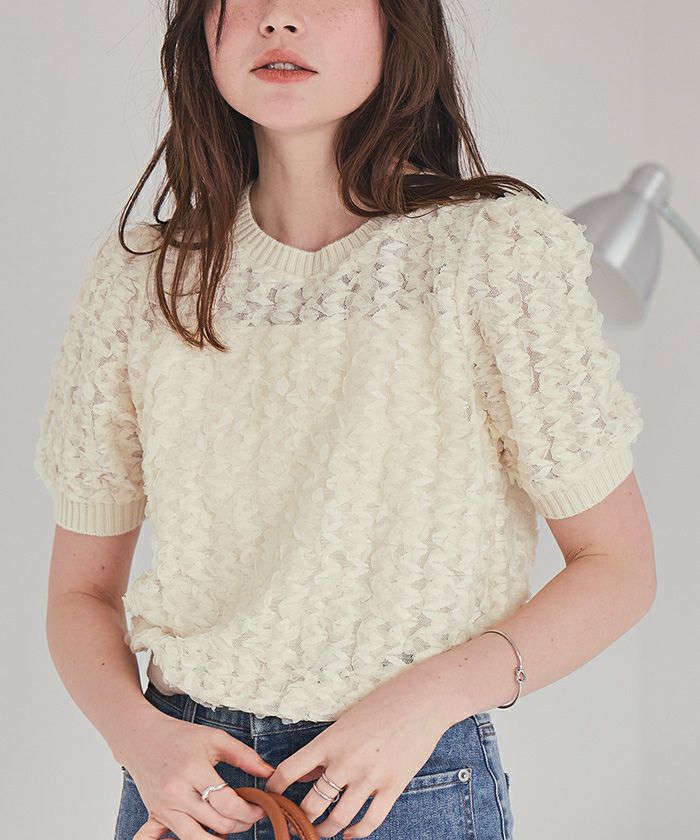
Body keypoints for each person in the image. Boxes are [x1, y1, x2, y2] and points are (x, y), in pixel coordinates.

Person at [33, 1, 656, 839]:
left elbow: (618, 565)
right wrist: (137, 738)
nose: (279, 18)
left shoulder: (496, 252)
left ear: (398, 24)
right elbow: (78, 592)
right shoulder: (143, 278)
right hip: (182, 784)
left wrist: (430, 699)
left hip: (402, 782)